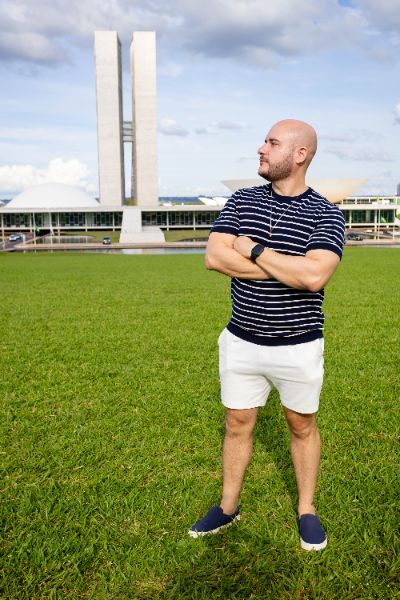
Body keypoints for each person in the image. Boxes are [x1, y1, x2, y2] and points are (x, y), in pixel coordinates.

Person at [189, 119, 345, 550]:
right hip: (241, 340)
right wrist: (286, 267)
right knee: (237, 423)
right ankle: (228, 507)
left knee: (301, 425)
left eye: (272, 143)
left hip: (299, 345)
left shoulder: (326, 213)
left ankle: (307, 509)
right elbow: (215, 257)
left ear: (300, 155)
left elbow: (314, 277)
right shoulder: (242, 200)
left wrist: (255, 249)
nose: (261, 149)